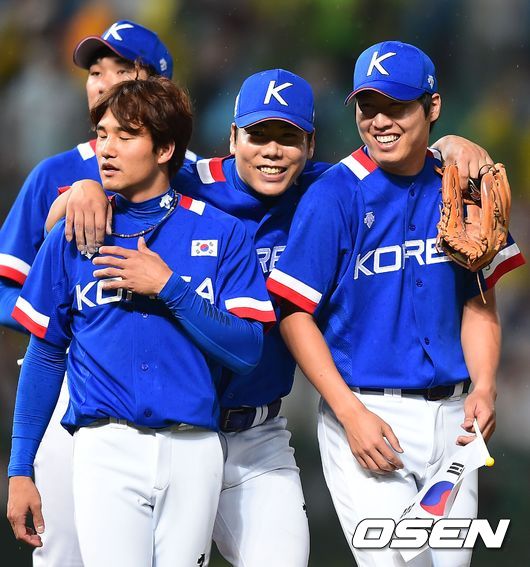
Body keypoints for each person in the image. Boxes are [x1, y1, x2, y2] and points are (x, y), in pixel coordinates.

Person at [49, 67, 501, 567]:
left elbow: (396, 163)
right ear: (232, 138)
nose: (271, 151)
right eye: (258, 135)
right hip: (167, 429)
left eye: (287, 138)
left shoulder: (326, 190)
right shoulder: (188, 183)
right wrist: (84, 190)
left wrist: (450, 146)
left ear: (310, 145)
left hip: (256, 434)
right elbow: (109, 180)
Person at [267, 41, 525, 567]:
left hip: (455, 420)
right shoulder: (335, 194)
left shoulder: (462, 185)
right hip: (369, 412)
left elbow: (480, 302)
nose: (380, 120)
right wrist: (348, 412)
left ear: (432, 107)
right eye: (368, 106)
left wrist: (484, 385)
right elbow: (293, 313)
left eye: (397, 106)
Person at [7, 76, 275, 567]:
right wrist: (20, 468)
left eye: (126, 136)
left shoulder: (222, 232)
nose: (106, 149)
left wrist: (169, 287)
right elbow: (44, 356)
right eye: (102, 134)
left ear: (165, 149)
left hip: (194, 448)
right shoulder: (72, 236)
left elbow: (247, 350)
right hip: (105, 446)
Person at [0, 19, 198, 567]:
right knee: (63, 550)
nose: (103, 82)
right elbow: (7, 289)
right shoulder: (56, 174)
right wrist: (54, 313)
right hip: (70, 378)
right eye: (94, 71)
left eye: (122, 69)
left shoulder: (192, 175)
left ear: (159, 86)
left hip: (176, 390)